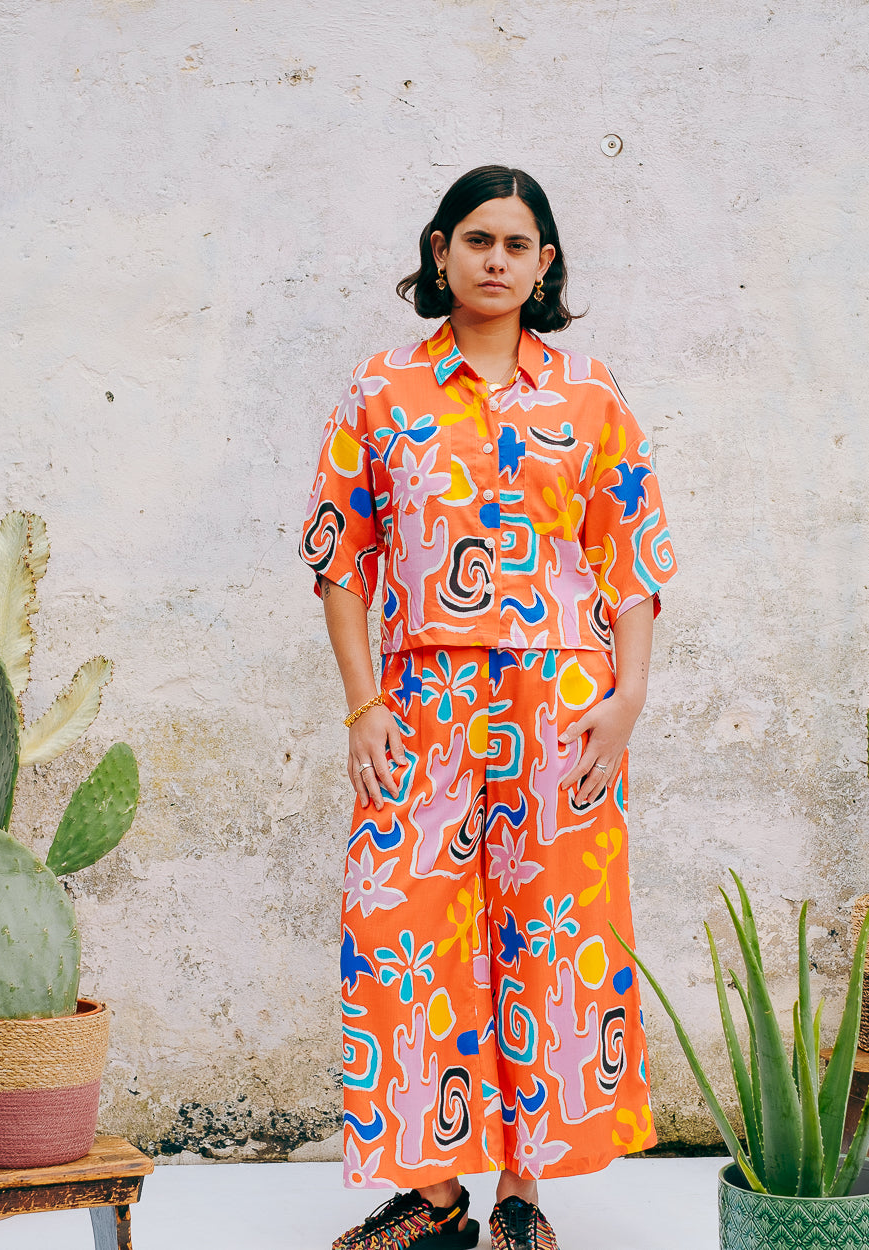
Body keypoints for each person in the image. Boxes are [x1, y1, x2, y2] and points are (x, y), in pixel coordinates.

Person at [300, 165, 676, 1250]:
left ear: (544, 262)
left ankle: (521, 1189)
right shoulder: (380, 390)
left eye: (517, 243)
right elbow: (339, 560)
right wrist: (362, 705)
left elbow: (631, 561)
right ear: (438, 250)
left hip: (561, 700)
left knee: (550, 939)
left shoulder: (591, 394)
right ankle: (431, 1192)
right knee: (400, 926)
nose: (496, 259)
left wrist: (628, 696)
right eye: (476, 240)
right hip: (422, 701)